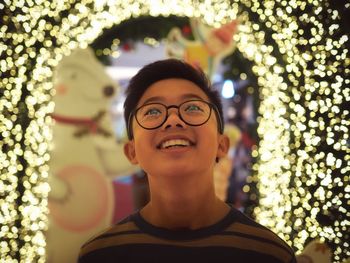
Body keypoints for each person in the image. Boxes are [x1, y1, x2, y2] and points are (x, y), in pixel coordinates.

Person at [78, 59, 296, 263]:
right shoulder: (100, 255)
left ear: (222, 145)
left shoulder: (270, 254)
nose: (173, 120)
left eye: (192, 107)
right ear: (132, 151)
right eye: (153, 111)